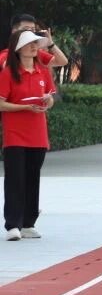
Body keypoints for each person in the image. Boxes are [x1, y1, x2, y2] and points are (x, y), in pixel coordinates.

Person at [1, 30, 57, 240]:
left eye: (36, 44)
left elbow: (51, 98)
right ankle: (12, 225)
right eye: (30, 44)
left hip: (38, 134)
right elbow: (1, 103)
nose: (34, 47)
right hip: (15, 134)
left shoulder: (42, 72)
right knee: (15, 178)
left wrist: (46, 101)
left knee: (33, 177)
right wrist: (24, 108)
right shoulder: (8, 73)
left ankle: (28, 223)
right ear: (19, 49)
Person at [0, 15, 68, 69]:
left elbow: (63, 62)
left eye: (33, 29)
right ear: (14, 32)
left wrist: (50, 44)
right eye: (26, 29)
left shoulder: (36, 53)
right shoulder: (6, 54)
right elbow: (7, 67)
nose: (30, 32)